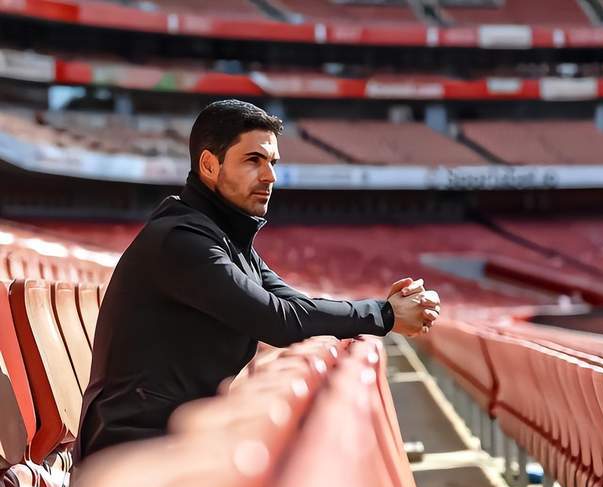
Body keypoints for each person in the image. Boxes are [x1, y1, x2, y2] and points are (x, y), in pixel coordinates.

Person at [74, 100, 440, 462]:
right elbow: (278, 321)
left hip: (174, 442)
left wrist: (387, 309)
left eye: (272, 163)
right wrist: (385, 315)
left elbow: (297, 307)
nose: (270, 177)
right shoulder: (181, 241)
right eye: (253, 160)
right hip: (129, 455)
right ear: (209, 165)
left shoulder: (226, 241)